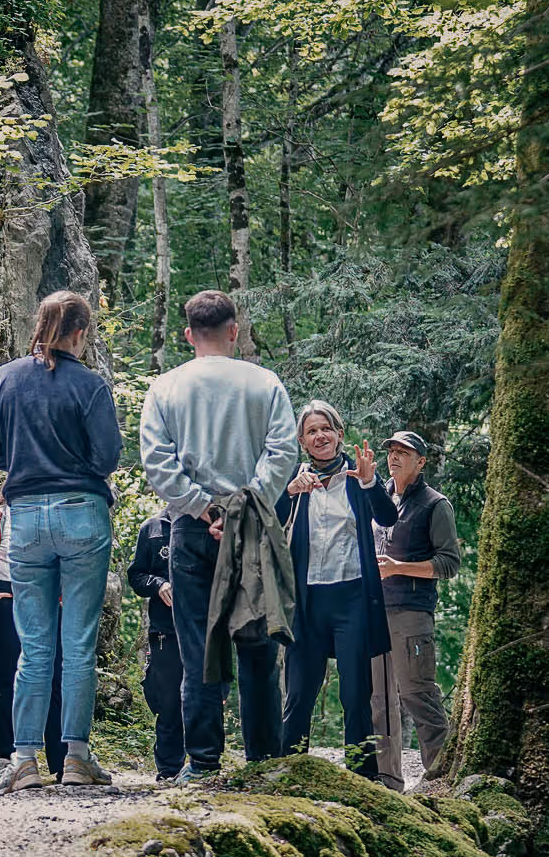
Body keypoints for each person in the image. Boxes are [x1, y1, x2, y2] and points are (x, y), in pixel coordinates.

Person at [138, 289, 299, 781]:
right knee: (257, 645)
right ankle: (264, 763)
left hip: (191, 530)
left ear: (188, 335)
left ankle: (203, 762)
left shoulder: (166, 388)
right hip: (250, 527)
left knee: (198, 649)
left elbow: (157, 463)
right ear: (235, 331)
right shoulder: (265, 383)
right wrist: (243, 503)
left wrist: (203, 506)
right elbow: (283, 451)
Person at [0, 290, 122, 794]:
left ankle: (23, 760)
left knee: (33, 646)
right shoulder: (90, 385)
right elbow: (108, 456)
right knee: (77, 643)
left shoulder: (6, 378)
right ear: (81, 332)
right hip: (82, 512)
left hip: (27, 516)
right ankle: (76, 758)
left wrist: (28, 461)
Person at [276, 401, 397, 779]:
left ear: (339, 434)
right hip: (308, 601)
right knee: (298, 694)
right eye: (312, 431)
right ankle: (288, 771)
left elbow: (387, 517)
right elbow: (270, 521)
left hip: (352, 599)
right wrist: (290, 491)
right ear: (302, 441)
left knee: (356, 695)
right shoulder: (295, 479)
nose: (320, 436)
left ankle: (363, 778)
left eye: (326, 428)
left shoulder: (357, 475)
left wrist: (369, 481)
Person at [370, 430, 462, 792]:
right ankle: (387, 779)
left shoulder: (435, 504)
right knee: (379, 699)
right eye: (391, 451)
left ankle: (442, 780)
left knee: (417, 694)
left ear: (420, 461)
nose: (394, 457)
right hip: (375, 612)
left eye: (403, 452)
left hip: (412, 612)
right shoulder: (380, 500)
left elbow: (449, 563)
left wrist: (398, 567)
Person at [0, 493, 66, 778]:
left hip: (45, 600)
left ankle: (62, 762)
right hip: (5, 600)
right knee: (8, 677)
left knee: (55, 677)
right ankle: (7, 757)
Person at [122, 514, 184, 781]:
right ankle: (169, 770)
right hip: (165, 630)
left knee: (207, 696)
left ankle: (205, 763)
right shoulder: (153, 528)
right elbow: (136, 575)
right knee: (168, 701)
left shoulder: (211, 520)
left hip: (204, 627)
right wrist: (159, 584)